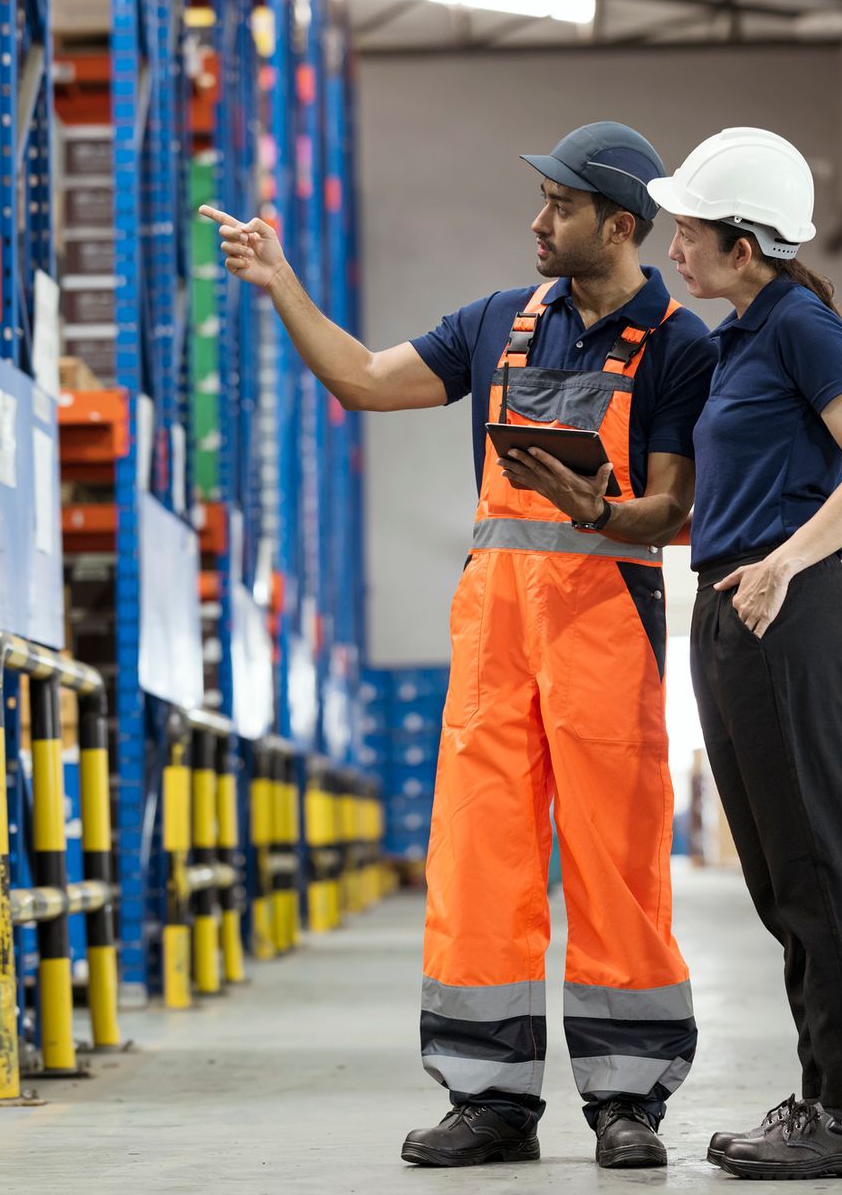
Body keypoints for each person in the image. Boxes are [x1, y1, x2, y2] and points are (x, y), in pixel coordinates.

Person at [202, 122, 714, 1171]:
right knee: (481, 860)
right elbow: (360, 380)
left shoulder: (678, 343)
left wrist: (605, 506)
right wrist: (281, 281)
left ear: (618, 225)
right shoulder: (494, 324)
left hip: (609, 627)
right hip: (496, 637)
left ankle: (627, 1097)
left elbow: (676, 507)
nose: (537, 221)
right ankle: (488, 1095)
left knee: (617, 865)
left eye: (560, 206)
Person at [648, 127, 842, 1181]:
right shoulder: (740, 338)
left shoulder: (802, 327)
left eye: (689, 232)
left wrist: (786, 562)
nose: (677, 248)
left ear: (745, 245)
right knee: (773, 869)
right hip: (731, 603)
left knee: (811, 857)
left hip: (785, 604)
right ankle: (822, 1094)